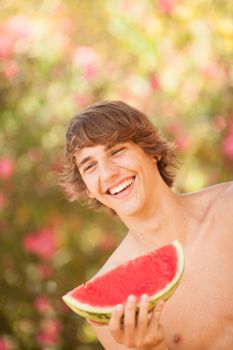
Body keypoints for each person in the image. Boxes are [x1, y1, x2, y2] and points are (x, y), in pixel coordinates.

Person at [61, 100, 233, 350]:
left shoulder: (228, 208)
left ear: (152, 151)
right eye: (90, 166)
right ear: (88, 188)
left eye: (116, 151)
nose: (107, 173)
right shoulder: (114, 303)